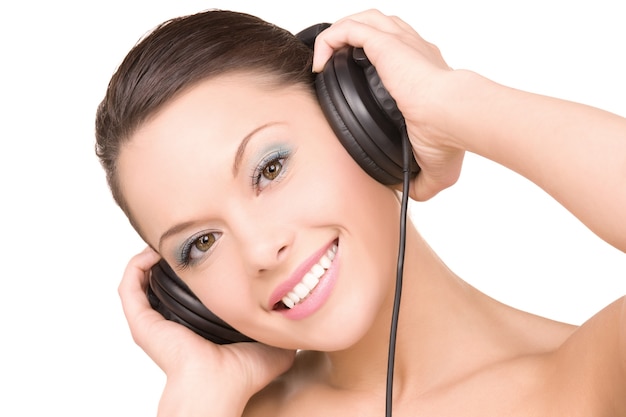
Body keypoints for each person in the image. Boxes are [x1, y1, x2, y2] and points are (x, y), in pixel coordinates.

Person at [95, 8, 626, 416]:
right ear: (185, 296)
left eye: (271, 169)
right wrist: (197, 396)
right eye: (201, 244)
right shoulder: (217, 408)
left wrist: (451, 103)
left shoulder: (592, 379)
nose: (260, 249)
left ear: (365, 123)